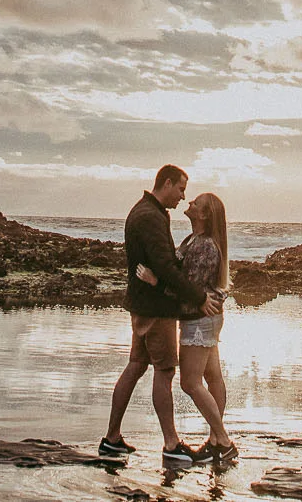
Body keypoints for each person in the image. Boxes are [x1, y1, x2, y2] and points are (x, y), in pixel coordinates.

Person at [101, 164, 221, 468]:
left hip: (143, 306)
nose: (183, 196)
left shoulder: (144, 211)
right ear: (166, 183)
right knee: (165, 372)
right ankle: (171, 444)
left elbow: (163, 266)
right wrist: (198, 297)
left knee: (136, 366)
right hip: (156, 309)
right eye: (180, 189)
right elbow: (166, 267)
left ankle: (112, 438)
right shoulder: (151, 217)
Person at [174, 191, 236, 464]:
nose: (189, 203)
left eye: (195, 203)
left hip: (198, 321)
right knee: (212, 377)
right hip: (206, 319)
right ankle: (214, 442)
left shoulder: (204, 246)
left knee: (190, 382)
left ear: (204, 214)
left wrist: (156, 281)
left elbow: (191, 287)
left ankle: (222, 440)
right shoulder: (195, 240)